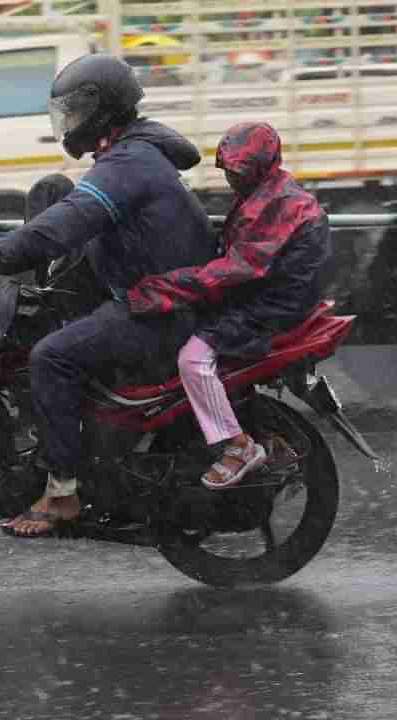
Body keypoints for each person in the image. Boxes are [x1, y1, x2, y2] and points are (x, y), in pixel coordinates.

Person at [0, 53, 215, 538]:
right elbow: (71, 212)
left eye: (74, 112)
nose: (68, 124)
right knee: (52, 195)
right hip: (149, 294)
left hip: (158, 311)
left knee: (50, 358)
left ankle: (62, 491)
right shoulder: (131, 153)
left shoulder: (129, 163)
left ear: (101, 109)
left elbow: (72, 220)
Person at [127, 121, 331, 489]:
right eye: (230, 171)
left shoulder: (277, 203)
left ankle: (238, 447)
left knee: (193, 359)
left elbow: (236, 270)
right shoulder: (267, 192)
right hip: (267, 295)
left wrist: (162, 288)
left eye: (241, 171)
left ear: (261, 166)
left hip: (270, 307)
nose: (233, 179)